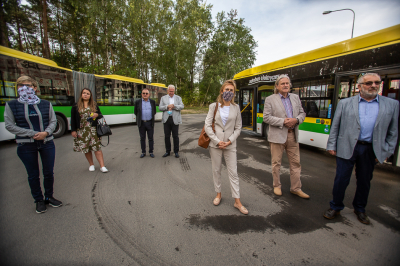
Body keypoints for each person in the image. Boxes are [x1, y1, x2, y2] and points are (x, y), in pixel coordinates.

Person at [324, 73, 399, 225]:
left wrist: (387, 151)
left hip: (370, 149)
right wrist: (331, 145)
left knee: (364, 181)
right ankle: (335, 206)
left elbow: (393, 131)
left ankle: (360, 209)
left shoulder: (392, 104)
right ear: (359, 87)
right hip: (347, 147)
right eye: (369, 83)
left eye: (377, 82)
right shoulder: (345, 103)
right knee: (341, 180)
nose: (374, 85)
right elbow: (335, 126)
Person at [4, 76, 62, 214]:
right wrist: (31, 133)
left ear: (35, 88)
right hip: (26, 146)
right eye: (21, 85)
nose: (25, 88)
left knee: (48, 172)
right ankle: (38, 200)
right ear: (17, 88)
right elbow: (9, 125)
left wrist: (46, 133)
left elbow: (53, 121)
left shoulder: (46, 104)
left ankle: (49, 196)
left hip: (47, 143)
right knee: (33, 174)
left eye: (28, 85)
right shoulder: (12, 105)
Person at [204, 79, 248, 215]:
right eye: (226, 89)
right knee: (216, 170)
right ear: (221, 91)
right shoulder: (214, 106)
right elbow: (207, 126)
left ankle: (237, 201)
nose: (228, 92)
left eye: (231, 90)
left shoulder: (236, 108)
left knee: (233, 173)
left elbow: (238, 127)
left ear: (234, 93)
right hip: (215, 144)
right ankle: (218, 194)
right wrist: (217, 141)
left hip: (230, 144)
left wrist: (229, 141)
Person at [263, 74, 309, 199]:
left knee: (295, 163)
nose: (285, 85)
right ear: (277, 86)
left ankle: (296, 188)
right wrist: (283, 121)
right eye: (282, 83)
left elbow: (302, 113)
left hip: (292, 135)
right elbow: (266, 117)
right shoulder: (270, 99)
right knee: (276, 163)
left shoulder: (295, 97)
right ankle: (277, 185)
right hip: (277, 136)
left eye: (287, 83)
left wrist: (296, 120)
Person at [71, 88, 108, 173]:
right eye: (84, 93)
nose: (85, 94)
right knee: (86, 148)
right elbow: (73, 119)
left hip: (93, 130)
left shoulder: (94, 105)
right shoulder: (75, 106)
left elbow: (100, 115)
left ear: (90, 95)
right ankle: (91, 164)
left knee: (97, 148)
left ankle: (102, 166)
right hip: (82, 131)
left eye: (87, 93)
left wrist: (97, 115)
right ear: (81, 94)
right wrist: (73, 130)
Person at [159, 85, 184, 158]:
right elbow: (160, 108)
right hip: (167, 119)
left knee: (175, 136)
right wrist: (167, 106)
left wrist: (174, 106)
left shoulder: (178, 98)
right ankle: (167, 151)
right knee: (167, 136)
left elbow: (182, 106)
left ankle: (176, 151)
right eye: (170, 91)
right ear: (167, 91)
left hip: (175, 119)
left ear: (174, 91)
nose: (171, 93)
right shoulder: (163, 98)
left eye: (172, 91)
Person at [134, 88, 156, 158]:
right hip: (142, 123)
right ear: (141, 94)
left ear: (149, 94)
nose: (145, 95)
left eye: (146, 93)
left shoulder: (152, 102)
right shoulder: (137, 102)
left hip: (150, 123)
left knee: (151, 138)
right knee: (142, 138)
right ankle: (143, 152)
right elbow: (135, 112)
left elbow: (154, 112)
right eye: (143, 93)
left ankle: (151, 152)